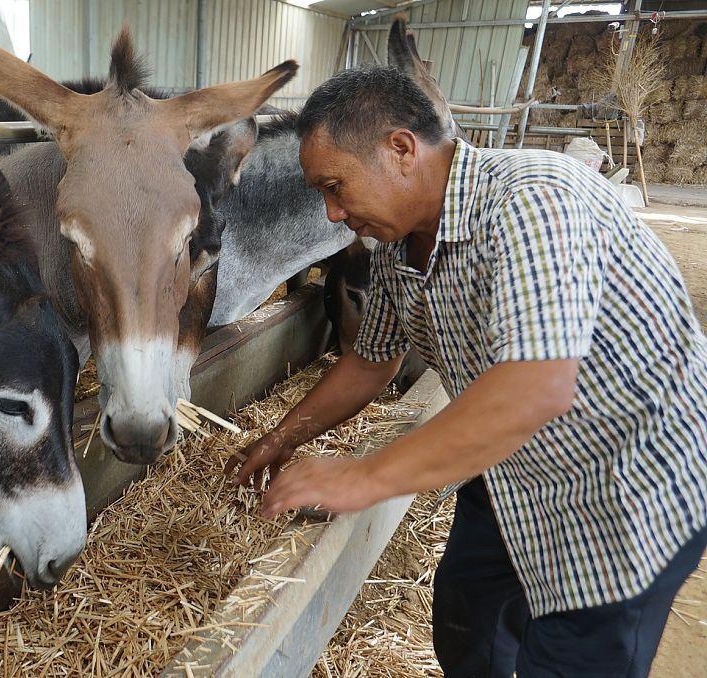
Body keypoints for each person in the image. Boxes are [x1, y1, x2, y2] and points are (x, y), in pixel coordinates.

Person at [228, 65, 707, 677]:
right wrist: (279, 439)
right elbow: (370, 362)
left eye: (335, 186)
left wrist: (366, 477)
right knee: (465, 619)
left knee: (569, 657)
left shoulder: (534, 202)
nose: (330, 215)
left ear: (400, 149)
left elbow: (535, 386)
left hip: (622, 491)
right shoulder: (399, 243)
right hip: (513, 471)